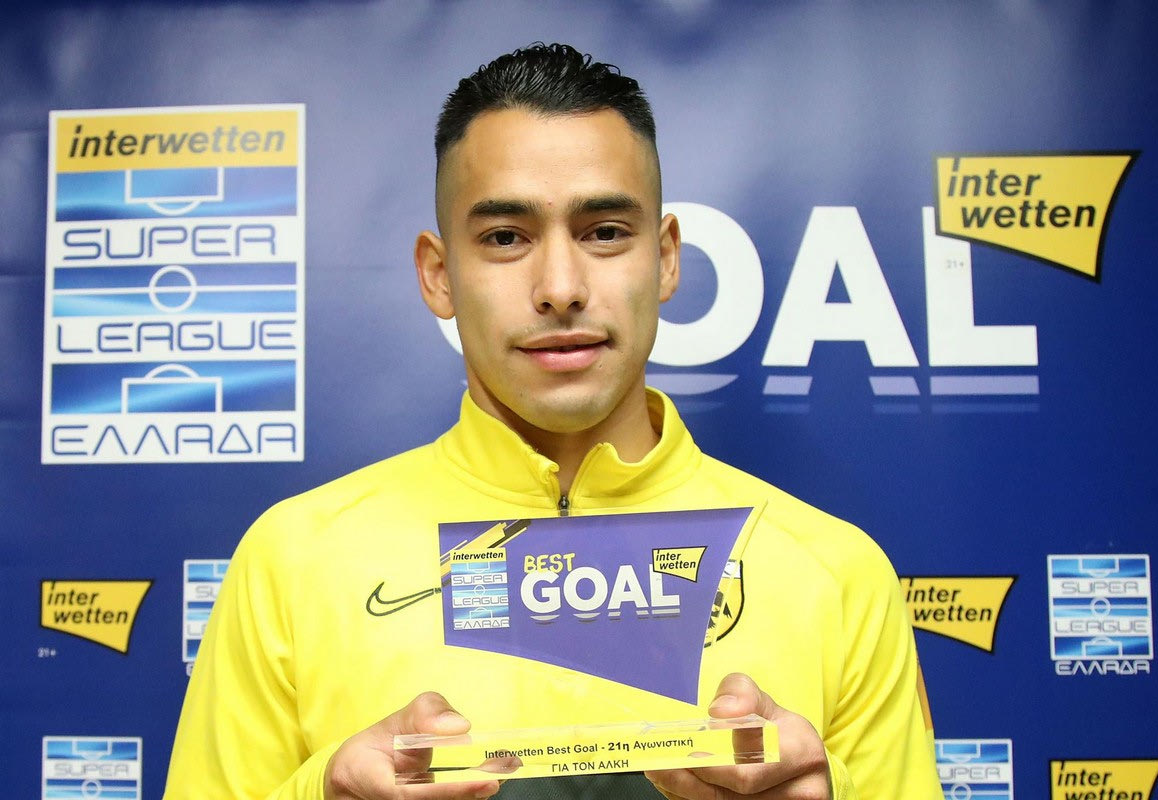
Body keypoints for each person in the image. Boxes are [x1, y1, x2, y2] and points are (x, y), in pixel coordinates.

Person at [164, 43, 940, 800]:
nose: (561, 286)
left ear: (667, 259)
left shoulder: (838, 575)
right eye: (506, 238)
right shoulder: (291, 562)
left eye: (605, 232)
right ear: (439, 275)